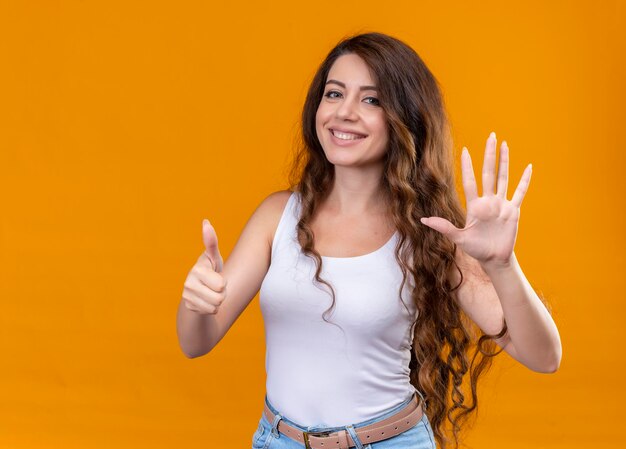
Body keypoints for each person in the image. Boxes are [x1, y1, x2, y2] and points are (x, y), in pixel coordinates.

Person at [176, 32, 562, 449]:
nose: (344, 112)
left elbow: (544, 357)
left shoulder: (431, 232)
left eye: (371, 100)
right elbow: (196, 342)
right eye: (334, 93)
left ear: (405, 117)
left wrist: (502, 266)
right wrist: (196, 302)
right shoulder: (277, 216)